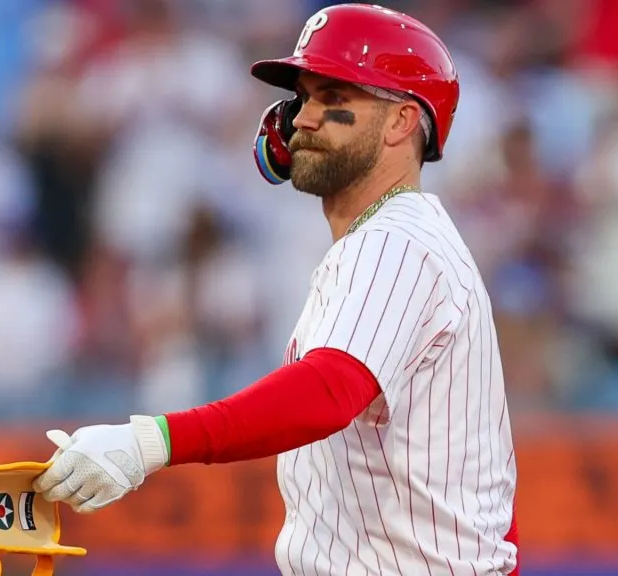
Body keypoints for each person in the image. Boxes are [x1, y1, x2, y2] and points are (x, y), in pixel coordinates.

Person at [33, 4, 519, 575]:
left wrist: (151, 442)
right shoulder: (382, 239)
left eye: (335, 99)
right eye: (303, 98)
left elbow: (330, 390)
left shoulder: (399, 239)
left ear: (401, 123)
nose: (304, 119)